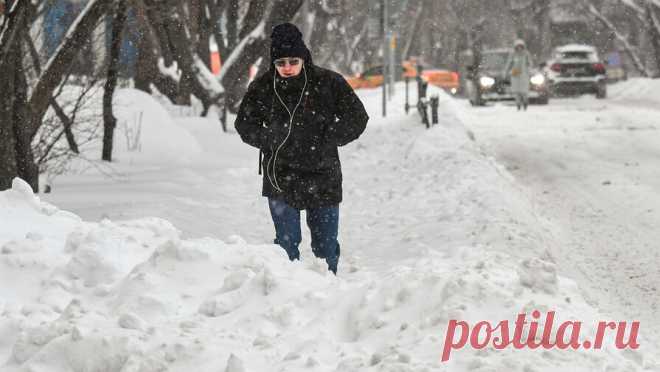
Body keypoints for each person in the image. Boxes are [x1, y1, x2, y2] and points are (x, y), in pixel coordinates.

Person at [234, 23, 369, 275]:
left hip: (323, 176)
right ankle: (286, 293)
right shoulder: (263, 87)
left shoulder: (328, 82)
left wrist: (330, 137)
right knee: (285, 247)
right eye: (280, 62)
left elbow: (357, 116)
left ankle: (328, 289)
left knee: (326, 247)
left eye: (293, 61)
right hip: (280, 176)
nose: (287, 68)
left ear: (304, 58)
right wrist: (268, 138)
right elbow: (244, 123)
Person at [504, 39, 532, 111]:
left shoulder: (526, 54)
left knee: (524, 91)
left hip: (524, 75)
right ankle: (518, 104)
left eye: (521, 46)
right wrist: (506, 72)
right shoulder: (513, 54)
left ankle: (525, 102)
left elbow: (530, 64)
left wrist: (528, 71)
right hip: (515, 74)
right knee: (516, 91)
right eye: (518, 46)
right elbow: (509, 64)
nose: (519, 48)